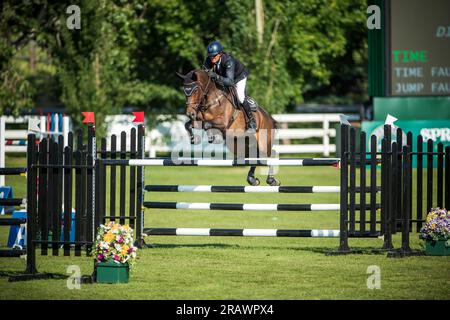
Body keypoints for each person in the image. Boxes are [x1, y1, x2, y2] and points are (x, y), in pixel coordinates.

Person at [203, 41, 257, 131]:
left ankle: (251, 120)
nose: (212, 58)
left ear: (220, 54)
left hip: (238, 77)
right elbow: (205, 74)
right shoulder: (209, 60)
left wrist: (216, 76)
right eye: (210, 55)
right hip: (224, 77)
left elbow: (230, 82)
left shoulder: (228, 61)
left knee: (240, 96)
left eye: (214, 56)